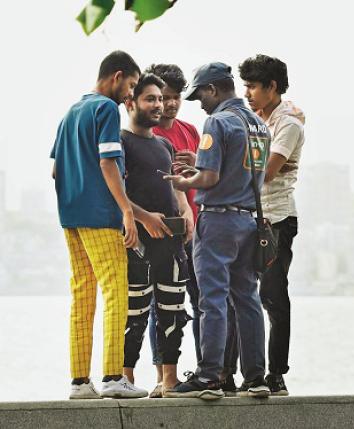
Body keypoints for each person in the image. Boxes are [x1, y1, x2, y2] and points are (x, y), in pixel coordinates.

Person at [163, 62, 271, 399]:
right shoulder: (258, 125)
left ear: (213, 89)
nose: (200, 104)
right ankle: (256, 378)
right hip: (249, 221)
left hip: (218, 222)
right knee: (248, 300)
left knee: (212, 300)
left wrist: (183, 180)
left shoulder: (218, 121)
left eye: (200, 96)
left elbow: (208, 179)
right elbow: (240, 171)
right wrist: (202, 164)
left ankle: (209, 376)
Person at [50, 50, 147, 399]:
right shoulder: (105, 109)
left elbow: (55, 170)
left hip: (71, 219)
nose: (130, 96)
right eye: (131, 86)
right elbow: (109, 163)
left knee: (83, 297)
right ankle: (112, 377)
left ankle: (79, 382)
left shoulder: (70, 113)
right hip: (100, 217)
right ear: (117, 75)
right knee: (116, 291)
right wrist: (126, 210)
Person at [231, 54, 305, 396]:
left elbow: (267, 172)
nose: (247, 92)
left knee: (273, 297)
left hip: (275, 219)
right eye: (245, 85)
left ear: (272, 87)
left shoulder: (288, 122)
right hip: (248, 215)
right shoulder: (254, 117)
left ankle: (276, 374)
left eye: (253, 86)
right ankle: (235, 373)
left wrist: (224, 175)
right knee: (240, 296)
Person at [120, 73, 194, 397]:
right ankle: (126, 379)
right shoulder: (121, 141)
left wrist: (186, 210)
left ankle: (169, 380)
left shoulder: (165, 143)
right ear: (130, 102)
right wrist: (143, 218)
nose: (158, 105)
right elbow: (115, 191)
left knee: (173, 312)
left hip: (171, 241)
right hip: (137, 241)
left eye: (160, 99)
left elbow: (173, 184)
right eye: (151, 99)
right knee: (134, 314)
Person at [146, 63, 204, 397]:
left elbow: (204, 175)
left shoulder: (190, 131)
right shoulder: (147, 135)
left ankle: (200, 373)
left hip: (196, 230)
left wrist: (197, 161)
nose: (170, 104)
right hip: (163, 231)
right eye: (164, 97)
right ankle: (161, 375)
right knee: (163, 307)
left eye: (175, 97)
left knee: (201, 303)